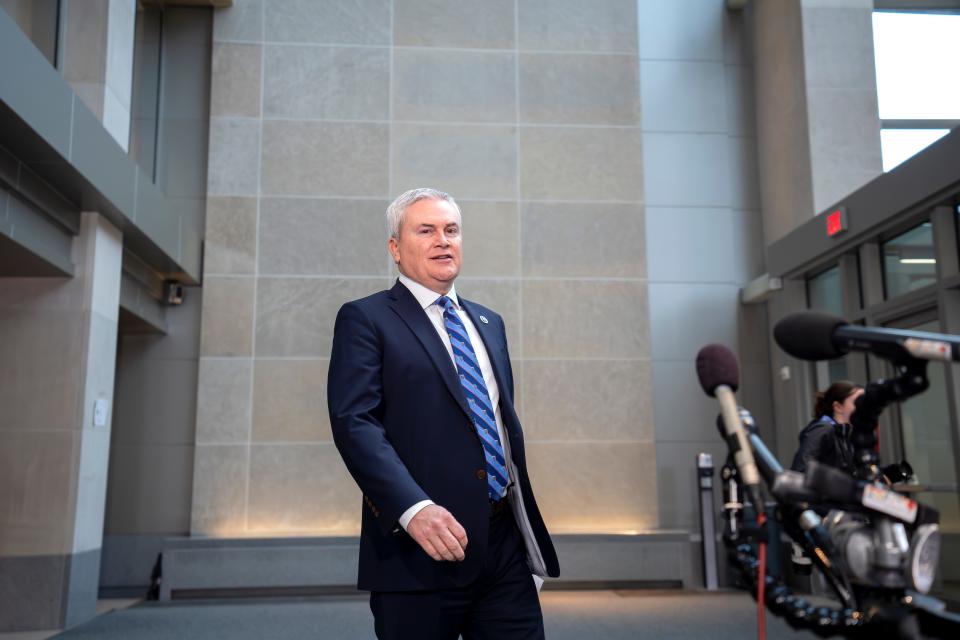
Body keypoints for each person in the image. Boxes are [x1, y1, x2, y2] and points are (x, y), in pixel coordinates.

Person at [327, 188, 559, 640]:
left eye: (451, 230)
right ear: (395, 248)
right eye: (426, 230)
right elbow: (355, 424)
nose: (442, 240)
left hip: (503, 545)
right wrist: (413, 510)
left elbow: (496, 427)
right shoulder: (366, 318)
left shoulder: (489, 323)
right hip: (419, 548)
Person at [790, 380, 865, 474]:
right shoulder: (823, 429)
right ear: (838, 407)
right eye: (857, 402)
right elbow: (801, 470)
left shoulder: (845, 434)